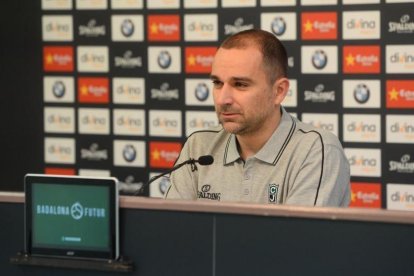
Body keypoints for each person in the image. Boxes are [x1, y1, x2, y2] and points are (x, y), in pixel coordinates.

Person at [165, 29, 350, 206]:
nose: (223, 99)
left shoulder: (316, 150)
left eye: (240, 84)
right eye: (217, 83)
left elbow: (299, 237)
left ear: (279, 91)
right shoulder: (198, 146)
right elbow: (174, 232)